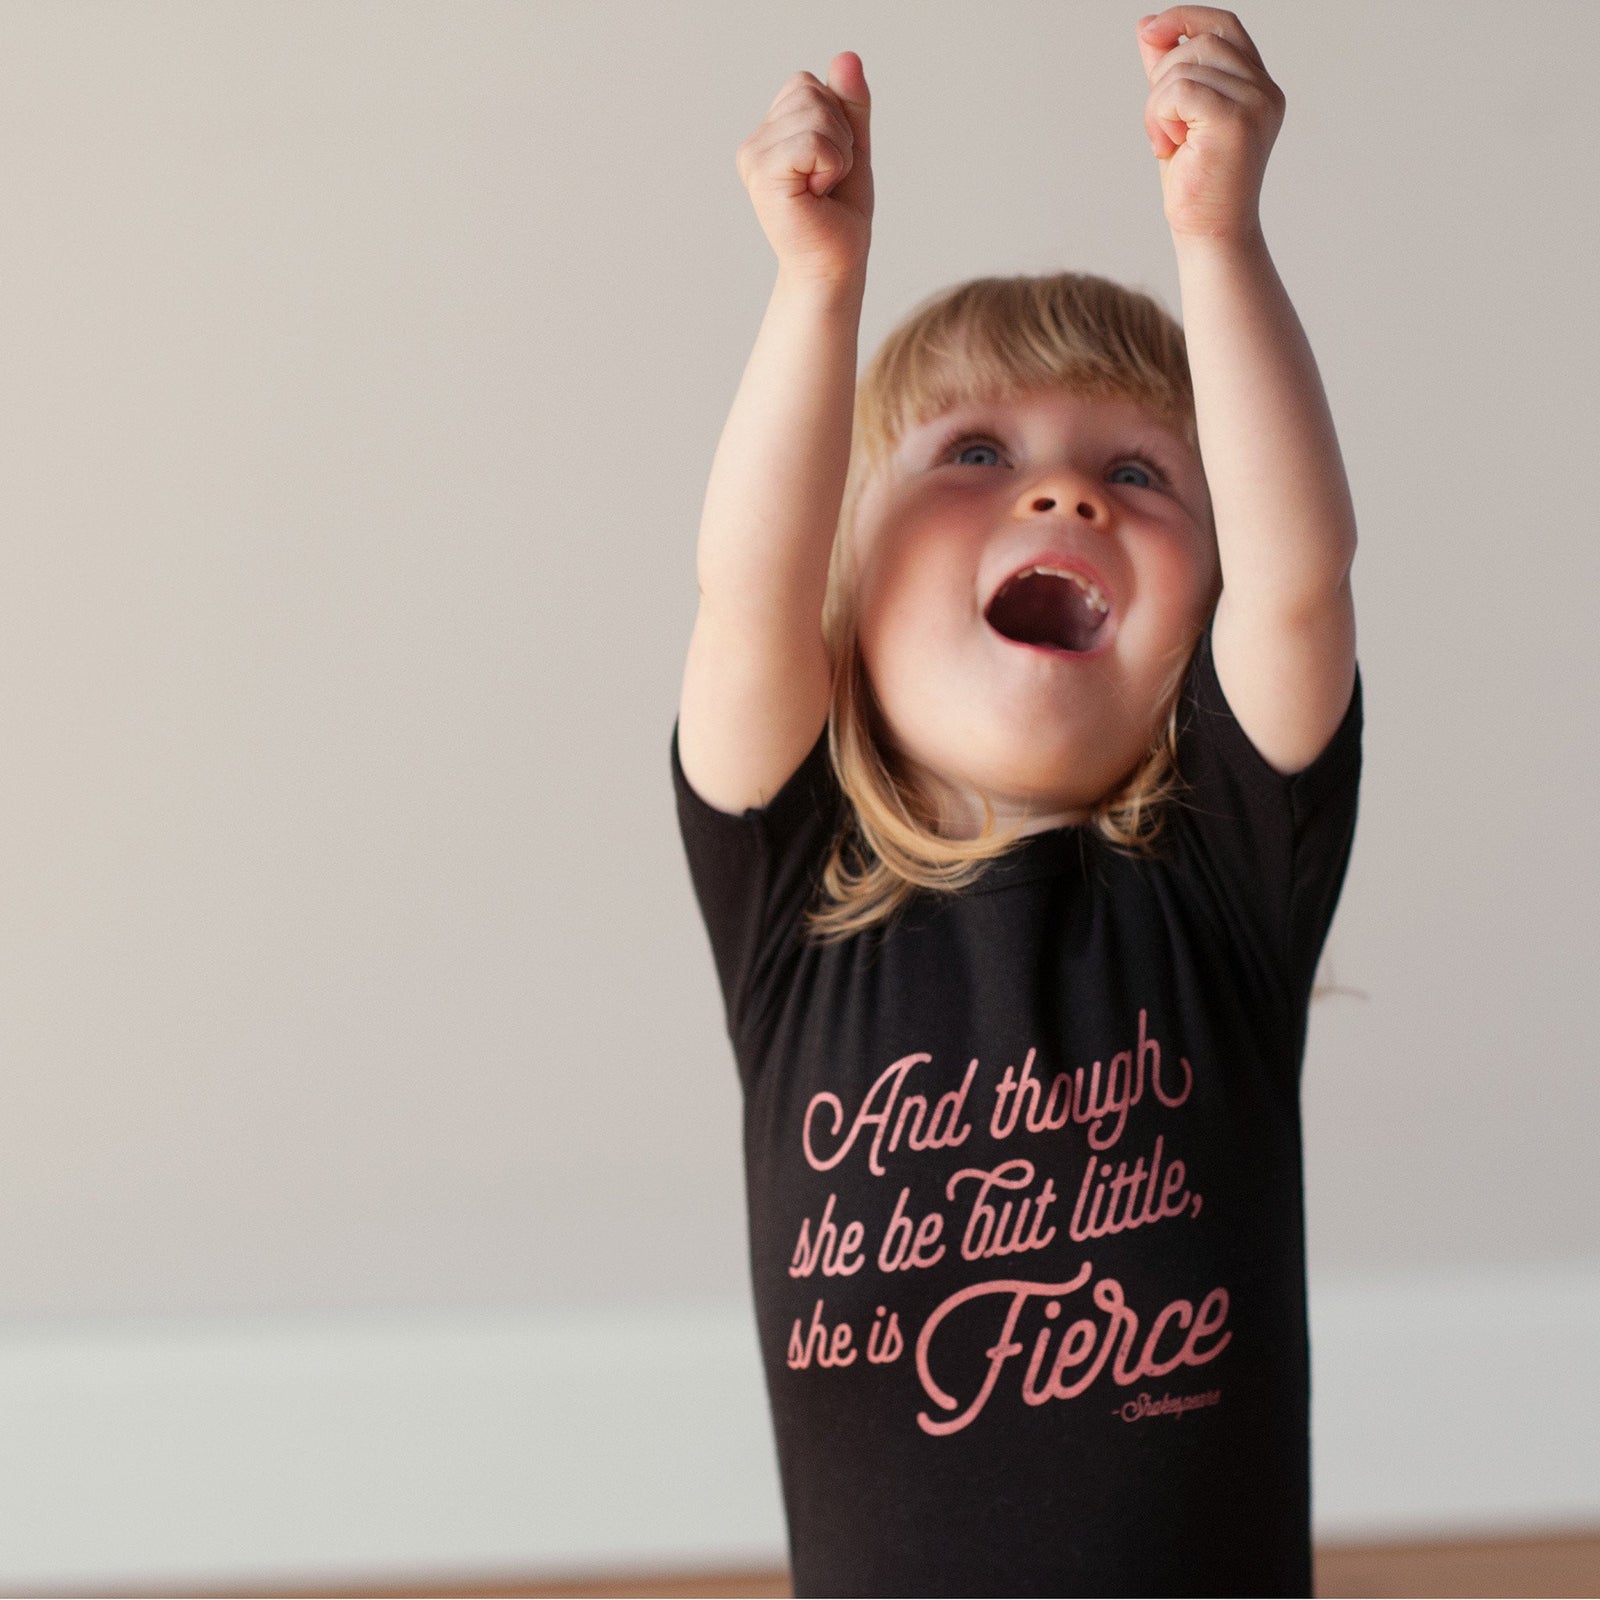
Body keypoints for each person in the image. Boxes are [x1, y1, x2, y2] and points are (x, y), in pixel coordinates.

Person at [671, 7, 1362, 1594]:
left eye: (1139, 473)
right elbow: (744, 605)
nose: (1061, 492)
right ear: (848, 593)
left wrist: (1221, 238)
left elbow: (1301, 582)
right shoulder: (792, 902)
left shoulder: (1225, 891)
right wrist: (814, 288)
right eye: (971, 453)